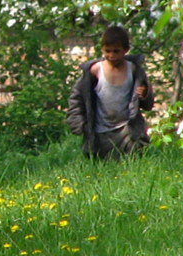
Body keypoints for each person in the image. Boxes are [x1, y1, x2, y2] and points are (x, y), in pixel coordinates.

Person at [66, 24, 154, 159]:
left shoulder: (134, 70)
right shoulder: (95, 70)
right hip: (101, 131)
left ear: (126, 50)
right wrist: (79, 123)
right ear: (102, 49)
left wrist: (144, 95)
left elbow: (147, 103)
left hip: (127, 130)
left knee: (133, 161)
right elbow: (77, 97)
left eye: (116, 51)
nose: (111, 55)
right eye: (107, 51)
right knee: (103, 167)